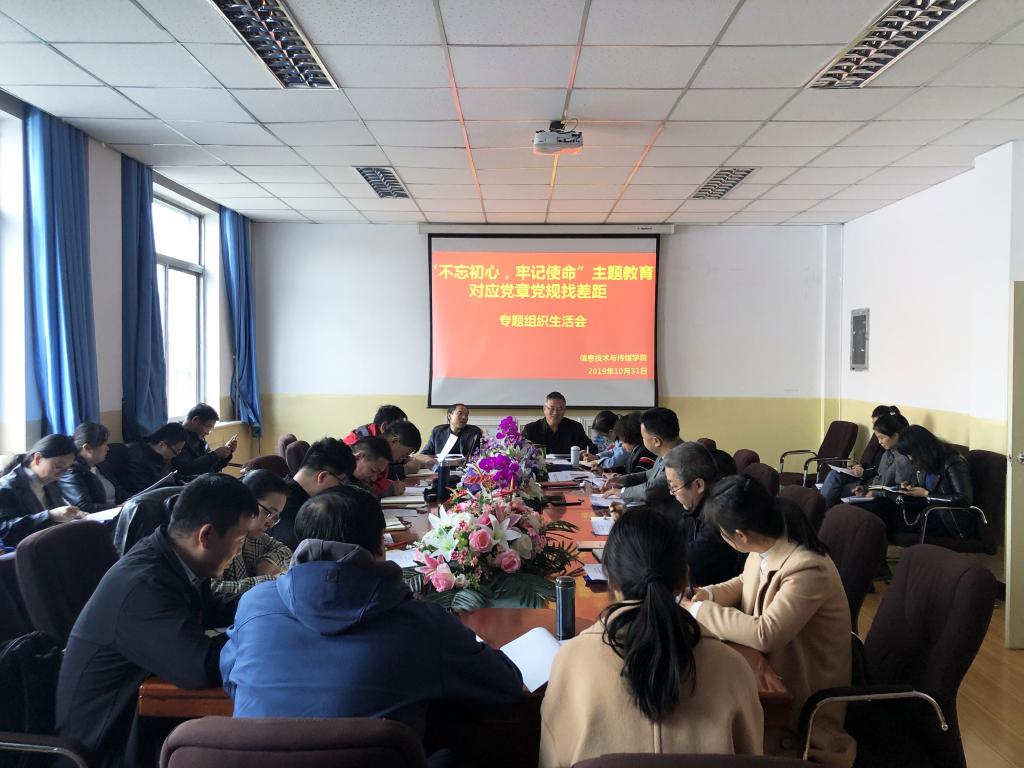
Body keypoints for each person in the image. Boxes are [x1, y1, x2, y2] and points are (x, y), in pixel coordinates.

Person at [221, 486, 524, 759]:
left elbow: (231, 677)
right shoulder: (421, 622)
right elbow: (504, 686)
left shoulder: (253, 604)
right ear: (381, 544)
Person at [57, 474, 256, 768]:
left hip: (147, 726)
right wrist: (265, 635)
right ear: (206, 536)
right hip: (110, 748)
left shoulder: (172, 560)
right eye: (239, 541)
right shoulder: (143, 585)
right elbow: (199, 667)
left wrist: (267, 602)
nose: (239, 551)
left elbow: (211, 608)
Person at [539, 508, 762, 767]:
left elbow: (552, 759)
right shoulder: (733, 668)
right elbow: (752, 756)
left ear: (610, 579)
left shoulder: (571, 661)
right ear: (685, 578)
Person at [683, 475, 855, 767]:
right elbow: (743, 581)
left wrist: (700, 612)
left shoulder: (807, 568)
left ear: (740, 536)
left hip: (800, 700)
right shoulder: (767, 543)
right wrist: (708, 595)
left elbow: (766, 633)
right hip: (769, 670)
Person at [664, 442, 743, 587]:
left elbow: (683, 562)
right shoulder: (697, 506)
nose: (671, 493)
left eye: (674, 487)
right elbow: (673, 535)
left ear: (698, 485)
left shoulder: (720, 518)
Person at [212, 470, 292, 596]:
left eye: (276, 517)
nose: (270, 524)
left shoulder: (254, 536)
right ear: (245, 501)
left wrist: (267, 562)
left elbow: (285, 550)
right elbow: (213, 589)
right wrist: (268, 581)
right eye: (268, 513)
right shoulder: (216, 536)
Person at [270, 437, 355, 550]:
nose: (341, 491)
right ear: (323, 476)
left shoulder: (287, 492)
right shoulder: (290, 512)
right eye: (341, 483)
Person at [892, 425, 974, 538]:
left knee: (891, 521)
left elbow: (964, 499)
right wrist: (911, 488)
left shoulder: (953, 462)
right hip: (930, 512)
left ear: (921, 449)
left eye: (910, 454)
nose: (910, 458)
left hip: (949, 521)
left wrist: (927, 494)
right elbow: (927, 487)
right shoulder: (927, 461)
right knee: (886, 508)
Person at [0, 434, 83, 545]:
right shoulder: (7, 486)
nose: (62, 473)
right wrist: (50, 516)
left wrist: (73, 515)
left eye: (67, 469)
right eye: (58, 466)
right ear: (38, 459)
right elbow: (4, 531)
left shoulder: (50, 481)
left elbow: (60, 513)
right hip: (27, 549)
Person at [819, 405, 900, 507]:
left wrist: (864, 475)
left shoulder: (890, 448)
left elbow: (882, 476)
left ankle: (821, 509)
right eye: (873, 424)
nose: (875, 428)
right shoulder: (880, 441)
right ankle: (821, 508)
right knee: (834, 474)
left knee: (836, 486)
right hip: (864, 476)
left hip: (868, 479)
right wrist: (860, 466)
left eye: (877, 424)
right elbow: (870, 462)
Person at [604, 407, 682, 505]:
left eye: (643, 437)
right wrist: (621, 479)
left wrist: (621, 492)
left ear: (656, 441)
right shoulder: (665, 453)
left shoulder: (680, 459)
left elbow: (650, 490)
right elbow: (647, 474)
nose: (642, 440)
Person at [58, 422, 127, 514]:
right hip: (99, 518)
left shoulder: (101, 464)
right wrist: (119, 508)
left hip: (118, 513)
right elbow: (84, 507)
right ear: (87, 448)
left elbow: (119, 492)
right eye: (104, 444)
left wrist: (133, 501)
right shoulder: (71, 471)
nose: (108, 448)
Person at [117, 422, 188, 496]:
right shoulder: (138, 460)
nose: (176, 455)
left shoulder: (160, 453)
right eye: (176, 451)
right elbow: (144, 493)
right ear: (162, 445)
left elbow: (171, 475)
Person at [172, 403, 237, 476]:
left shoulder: (200, 440)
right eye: (208, 427)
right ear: (195, 420)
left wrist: (226, 453)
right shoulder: (177, 438)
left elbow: (212, 469)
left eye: (210, 429)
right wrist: (214, 455)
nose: (208, 433)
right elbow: (186, 468)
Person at [522, 392, 597, 454]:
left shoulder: (575, 427)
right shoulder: (531, 429)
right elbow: (520, 450)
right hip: (540, 467)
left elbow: (592, 449)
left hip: (570, 467)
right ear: (544, 409)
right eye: (552, 408)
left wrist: (586, 452)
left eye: (560, 409)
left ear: (564, 410)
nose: (555, 412)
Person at [342, 404, 408, 443]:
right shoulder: (367, 443)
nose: (399, 436)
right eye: (398, 431)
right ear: (384, 427)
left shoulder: (372, 432)